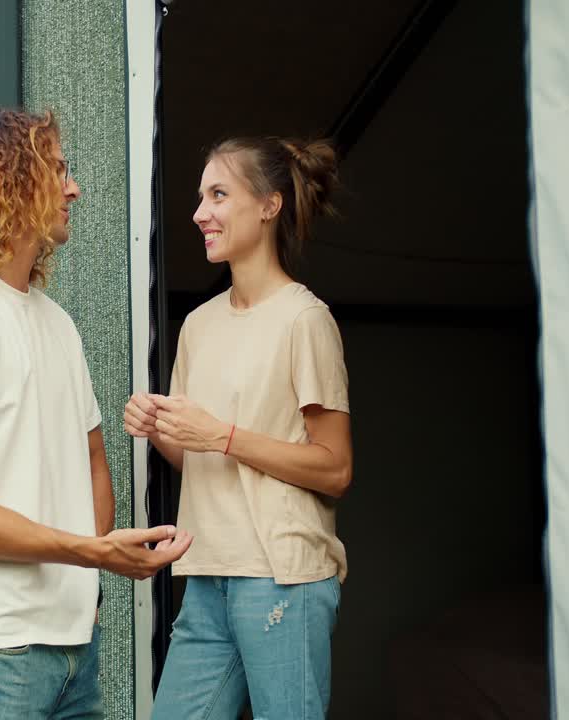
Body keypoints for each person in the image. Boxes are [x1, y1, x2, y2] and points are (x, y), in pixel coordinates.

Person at [0, 108, 192, 720]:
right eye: (58, 170)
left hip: (72, 653)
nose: (74, 187)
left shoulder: (58, 324)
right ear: (9, 179)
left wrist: (86, 581)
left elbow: (91, 463)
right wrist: (91, 554)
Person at [125, 137, 353, 719]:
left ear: (270, 205)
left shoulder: (306, 320)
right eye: (201, 197)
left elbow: (334, 468)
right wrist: (161, 430)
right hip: (206, 576)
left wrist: (222, 434)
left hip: (282, 579)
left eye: (218, 194)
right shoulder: (198, 326)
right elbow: (199, 457)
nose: (200, 212)